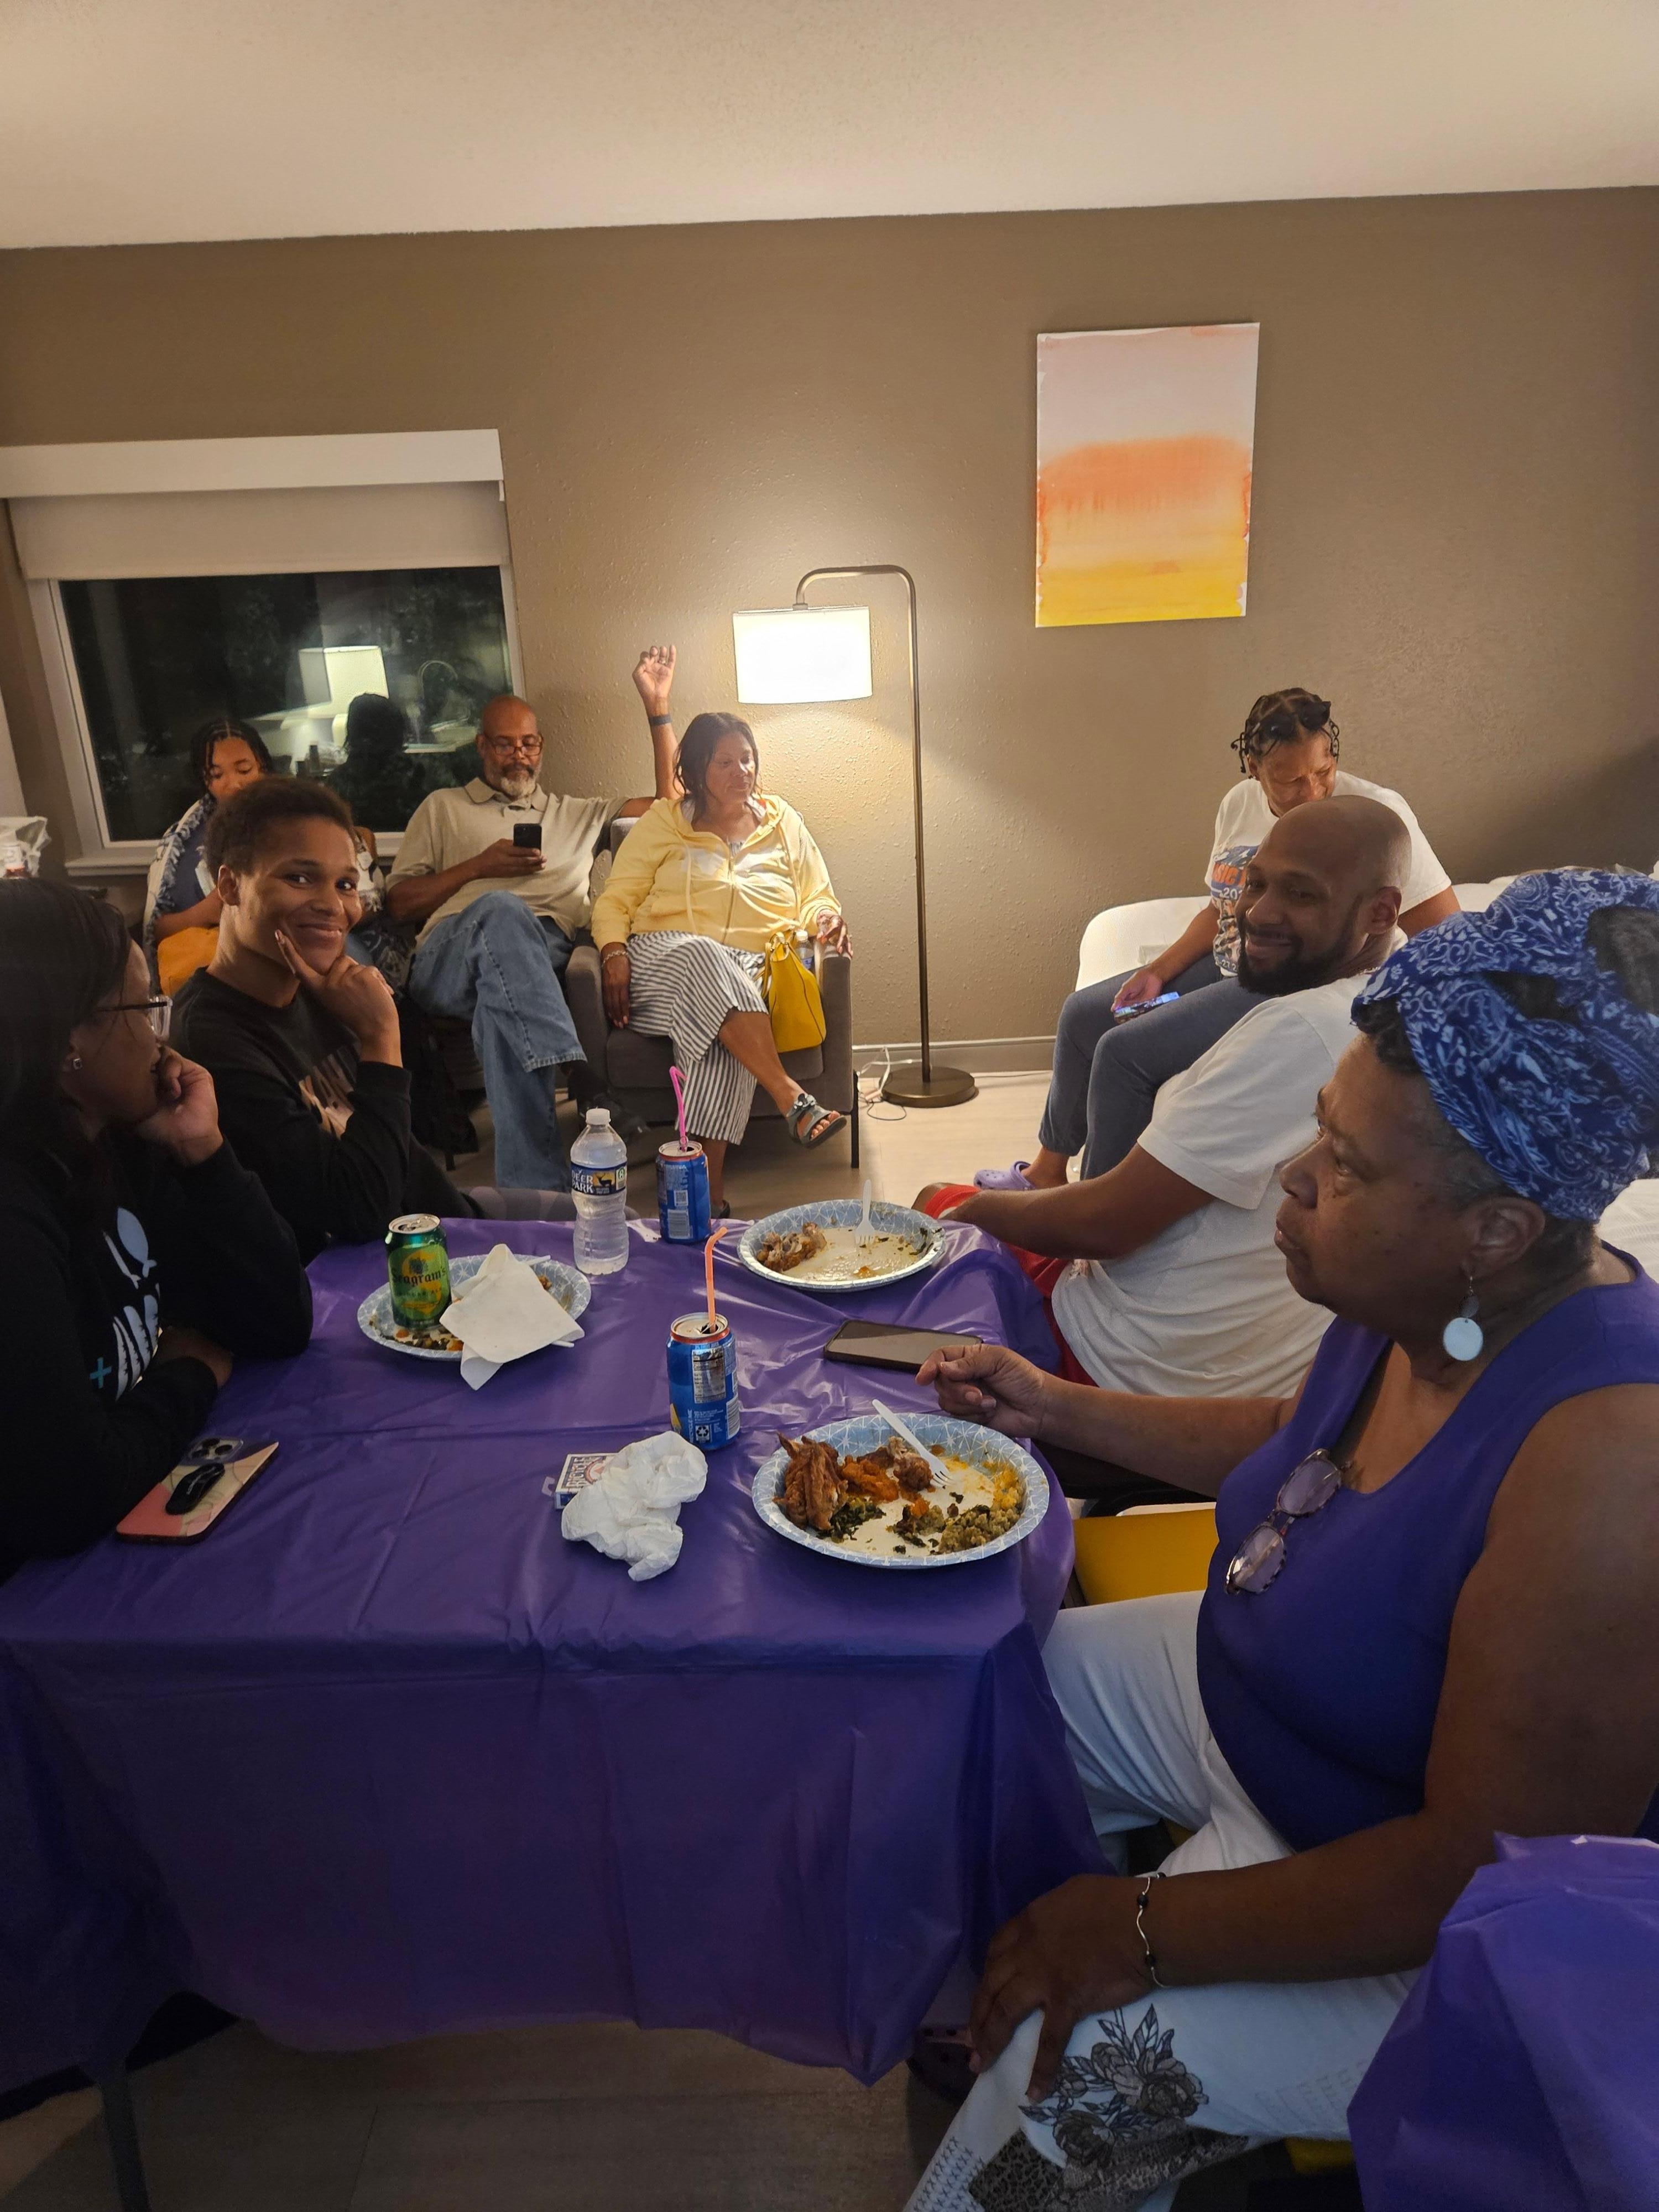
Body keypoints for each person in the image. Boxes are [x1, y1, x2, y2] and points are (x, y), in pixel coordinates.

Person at [905, 868, 1659, 2212]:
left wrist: (1139, 1926)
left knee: (1054, 2083)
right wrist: (1051, 1405)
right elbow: (1298, 1438)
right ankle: (1006, 1968)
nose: (1296, 1182)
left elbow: (1473, 1868)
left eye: (1345, 1167)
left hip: (1416, 1935)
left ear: (1494, 1230)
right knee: (967, 1698)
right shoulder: (1427, 1294)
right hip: (1270, 1703)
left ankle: (1044, 2112)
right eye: (1321, 1131)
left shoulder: (1607, 1463)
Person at [924, 797, 1408, 1401]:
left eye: (1302, 894)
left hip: (1124, 1360)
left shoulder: (1301, 1032)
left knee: (934, 1205)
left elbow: (1106, 1226)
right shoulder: (1394, 992)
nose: (1259, 913)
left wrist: (969, 1212)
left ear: (1380, 911)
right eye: (1255, 884)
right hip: (1226, 1348)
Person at [977, 688, 1459, 1192]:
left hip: (1294, 977)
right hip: (1235, 959)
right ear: (1254, 768)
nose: (1314, 791)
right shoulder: (1238, 805)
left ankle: (1087, 1216)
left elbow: (1443, 934)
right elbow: (1219, 910)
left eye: (1323, 771)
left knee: (1124, 1054)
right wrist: (1158, 971)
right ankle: (1047, 1174)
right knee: (1082, 1015)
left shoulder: (1376, 816)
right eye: (1291, 781)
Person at [0, 880, 313, 1582]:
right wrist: (190, 1372)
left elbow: (279, 1323)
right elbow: (67, 1496)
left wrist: (206, 1154)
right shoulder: (16, 1215)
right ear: (67, 1039)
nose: (162, 1034)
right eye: (144, 1008)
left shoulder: (120, 1138)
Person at [173, 780, 577, 1264]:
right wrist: (381, 1037)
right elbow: (359, 1210)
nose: (333, 905)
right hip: (394, 1276)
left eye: (345, 885)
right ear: (229, 886)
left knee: (610, 1225)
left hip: (446, 1222)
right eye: (300, 878)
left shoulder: (318, 992)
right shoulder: (212, 1041)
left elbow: (402, 1157)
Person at [385, 658, 679, 1187]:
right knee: (502, 909)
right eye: (504, 744)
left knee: (500, 1016)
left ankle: (535, 1195)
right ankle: (582, 1074)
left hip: (538, 961)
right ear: (482, 747)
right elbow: (400, 904)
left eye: (528, 744)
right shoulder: (442, 808)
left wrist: (657, 708)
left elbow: (669, 802)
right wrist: (480, 867)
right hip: (449, 957)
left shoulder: (577, 812)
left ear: (541, 747)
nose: (518, 755)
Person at [589, 705, 849, 1213]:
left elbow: (816, 894)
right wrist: (613, 950)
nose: (741, 772)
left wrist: (825, 918)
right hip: (662, 959)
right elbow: (615, 899)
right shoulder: (664, 822)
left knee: (721, 1029)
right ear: (696, 770)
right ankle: (789, 1095)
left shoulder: (782, 821)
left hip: (748, 970)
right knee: (706, 956)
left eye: (747, 759)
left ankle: (702, 1203)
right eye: (725, 762)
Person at [144, 717, 272, 994]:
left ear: (262, 766)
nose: (233, 784)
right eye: (217, 775)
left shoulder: (299, 817)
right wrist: (206, 911)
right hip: (212, 971)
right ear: (205, 780)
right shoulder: (182, 842)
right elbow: (157, 930)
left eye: (244, 770)